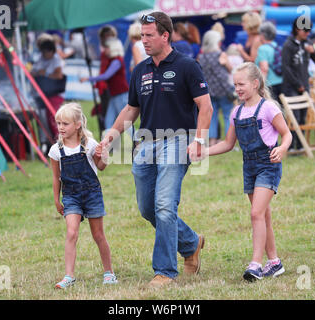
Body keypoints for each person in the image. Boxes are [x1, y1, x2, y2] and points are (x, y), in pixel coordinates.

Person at [100, 11, 213, 288]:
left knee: (164, 205)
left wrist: (198, 141)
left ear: (165, 35)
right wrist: (109, 140)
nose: (143, 41)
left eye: (149, 35)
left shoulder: (187, 66)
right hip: (146, 144)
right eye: (141, 36)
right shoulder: (140, 70)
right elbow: (130, 109)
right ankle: (190, 242)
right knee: (148, 208)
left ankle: (164, 271)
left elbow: (206, 106)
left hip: (178, 140)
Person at [206, 62, 292, 281]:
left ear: (255, 83)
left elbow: (287, 134)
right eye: (235, 85)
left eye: (241, 84)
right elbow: (227, 143)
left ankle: (255, 264)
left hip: (268, 165)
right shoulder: (237, 112)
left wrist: (281, 148)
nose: (238, 89)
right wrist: (203, 152)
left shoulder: (269, 108)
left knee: (256, 214)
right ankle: (274, 262)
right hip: (249, 167)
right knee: (263, 215)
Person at [49, 102, 117, 289]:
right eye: (59, 123)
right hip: (70, 196)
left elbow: (101, 167)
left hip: (92, 194)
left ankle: (109, 272)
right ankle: (69, 276)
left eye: (65, 124)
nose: (61, 127)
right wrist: (56, 199)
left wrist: (103, 155)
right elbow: (56, 178)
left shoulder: (89, 145)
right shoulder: (56, 150)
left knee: (98, 235)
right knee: (71, 233)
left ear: (78, 124)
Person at [281, 17, 315, 150]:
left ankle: (301, 145)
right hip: (292, 86)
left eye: (309, 31)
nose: (308, 33)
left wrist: (313, 51)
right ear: (297, 29)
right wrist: (298, 85)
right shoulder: (288, 45)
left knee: (303, 116)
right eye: (305, 30)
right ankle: (291, 146)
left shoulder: (308, 43)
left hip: (305, 83)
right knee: (294, 117)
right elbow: (286, 68)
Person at [80, 38, 130, 135]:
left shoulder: (117, 61)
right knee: (109, 121)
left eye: (107, 47)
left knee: (125, 122)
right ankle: (108, 144)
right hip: (114, 95)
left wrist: (88, 79)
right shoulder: (114, 61)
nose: (105, 50)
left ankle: (136, 141)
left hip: (120, 95)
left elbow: (106, 75)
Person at [198, 30, 235, 146]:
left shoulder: (201, 57)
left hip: (209, 90)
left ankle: (212, 141)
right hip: (224, 90)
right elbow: (230, 69)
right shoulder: (221, 55)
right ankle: (229, 141)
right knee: (227, 115)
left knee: (212, 116)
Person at [31, 33, 65, 143]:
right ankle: (47, 141)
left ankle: (60, 140)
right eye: (43, 51)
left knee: (53, 118)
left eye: (46, 51)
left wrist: (44, 74)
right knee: (43, 120)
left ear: (51, 51)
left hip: (54, 94)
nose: (44, 54)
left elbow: (59, 75)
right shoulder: (40, 59)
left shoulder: (56, 60)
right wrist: (37, 73)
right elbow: (32, 72)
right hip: (41, 93)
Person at [255, 21, 283, 100]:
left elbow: (264, 69)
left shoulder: (262, 49)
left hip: (270, 85)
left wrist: (261, 87)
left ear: (263, 35)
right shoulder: (276, 46)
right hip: (281, 82)